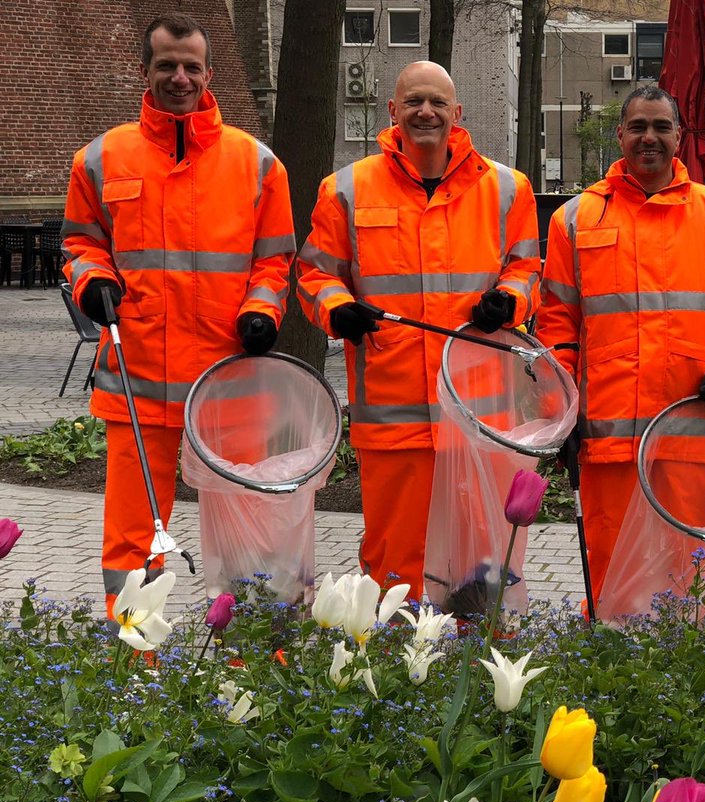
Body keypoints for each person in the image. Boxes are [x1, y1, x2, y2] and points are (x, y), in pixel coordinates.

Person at [62, 14, 295, 617]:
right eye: (166, 64)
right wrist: (93, 282)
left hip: (229, 380)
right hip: (138, 382)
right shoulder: (100, 158)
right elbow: (81, 244)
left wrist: (262, 312)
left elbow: (274, 263)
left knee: (248, 529)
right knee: (133, 539)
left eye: (191, 65)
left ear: (209, 73)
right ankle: (138, 659)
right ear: (144, 71)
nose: (180, 77)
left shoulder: (258, 164)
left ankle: (253, 655)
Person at [297, 61, 540, 597]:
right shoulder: (347, 190)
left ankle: (479, 668)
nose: (425, 112)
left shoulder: (506, 189)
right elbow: (315, 273)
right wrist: (337, 308)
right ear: (393, 111)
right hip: (392, 415)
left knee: (481, 563)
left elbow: (526, 270)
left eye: (436, 103)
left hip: (478, 415)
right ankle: (392, 664)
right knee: (394, 564)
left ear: (457, 113)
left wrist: (511, 302)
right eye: (413, 102)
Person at [538, 85, 705, 602]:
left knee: (695, 576)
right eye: (638, 126)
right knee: (614, 574)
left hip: (695, 433)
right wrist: (561, 413)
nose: (649, 138)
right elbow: (557, 326)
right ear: (620, 134)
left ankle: (691, 681)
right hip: (608, 440)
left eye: (662, 127)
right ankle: (611, 676)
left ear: (679, 137)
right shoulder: (574, 220)